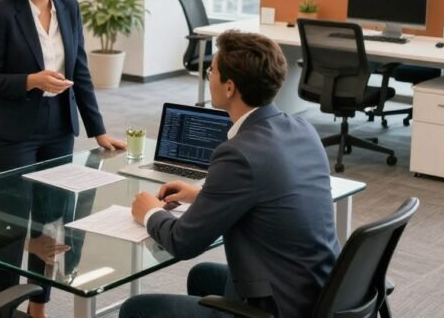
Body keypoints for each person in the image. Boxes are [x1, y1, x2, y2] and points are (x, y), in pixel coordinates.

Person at [122, 30, 339, 318]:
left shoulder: (238, 153)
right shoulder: (302, 128)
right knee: (202, 277)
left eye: (212, 71)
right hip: (317, 291)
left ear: (229, 88)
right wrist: (199, 195)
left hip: (279, 308)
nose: (207, 76)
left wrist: (149, 212)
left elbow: (183, 242)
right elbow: (270, 192)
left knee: (136, 309)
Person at [0, 0, 125, 318]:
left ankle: (38, 305)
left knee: (51, 224)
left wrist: (98, 130)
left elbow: (81, 72)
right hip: (14, 132)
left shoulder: (69, 9)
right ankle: (1, 309)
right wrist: (32, 80)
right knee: (11, 227)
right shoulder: (3, 13)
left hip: (60, 127)